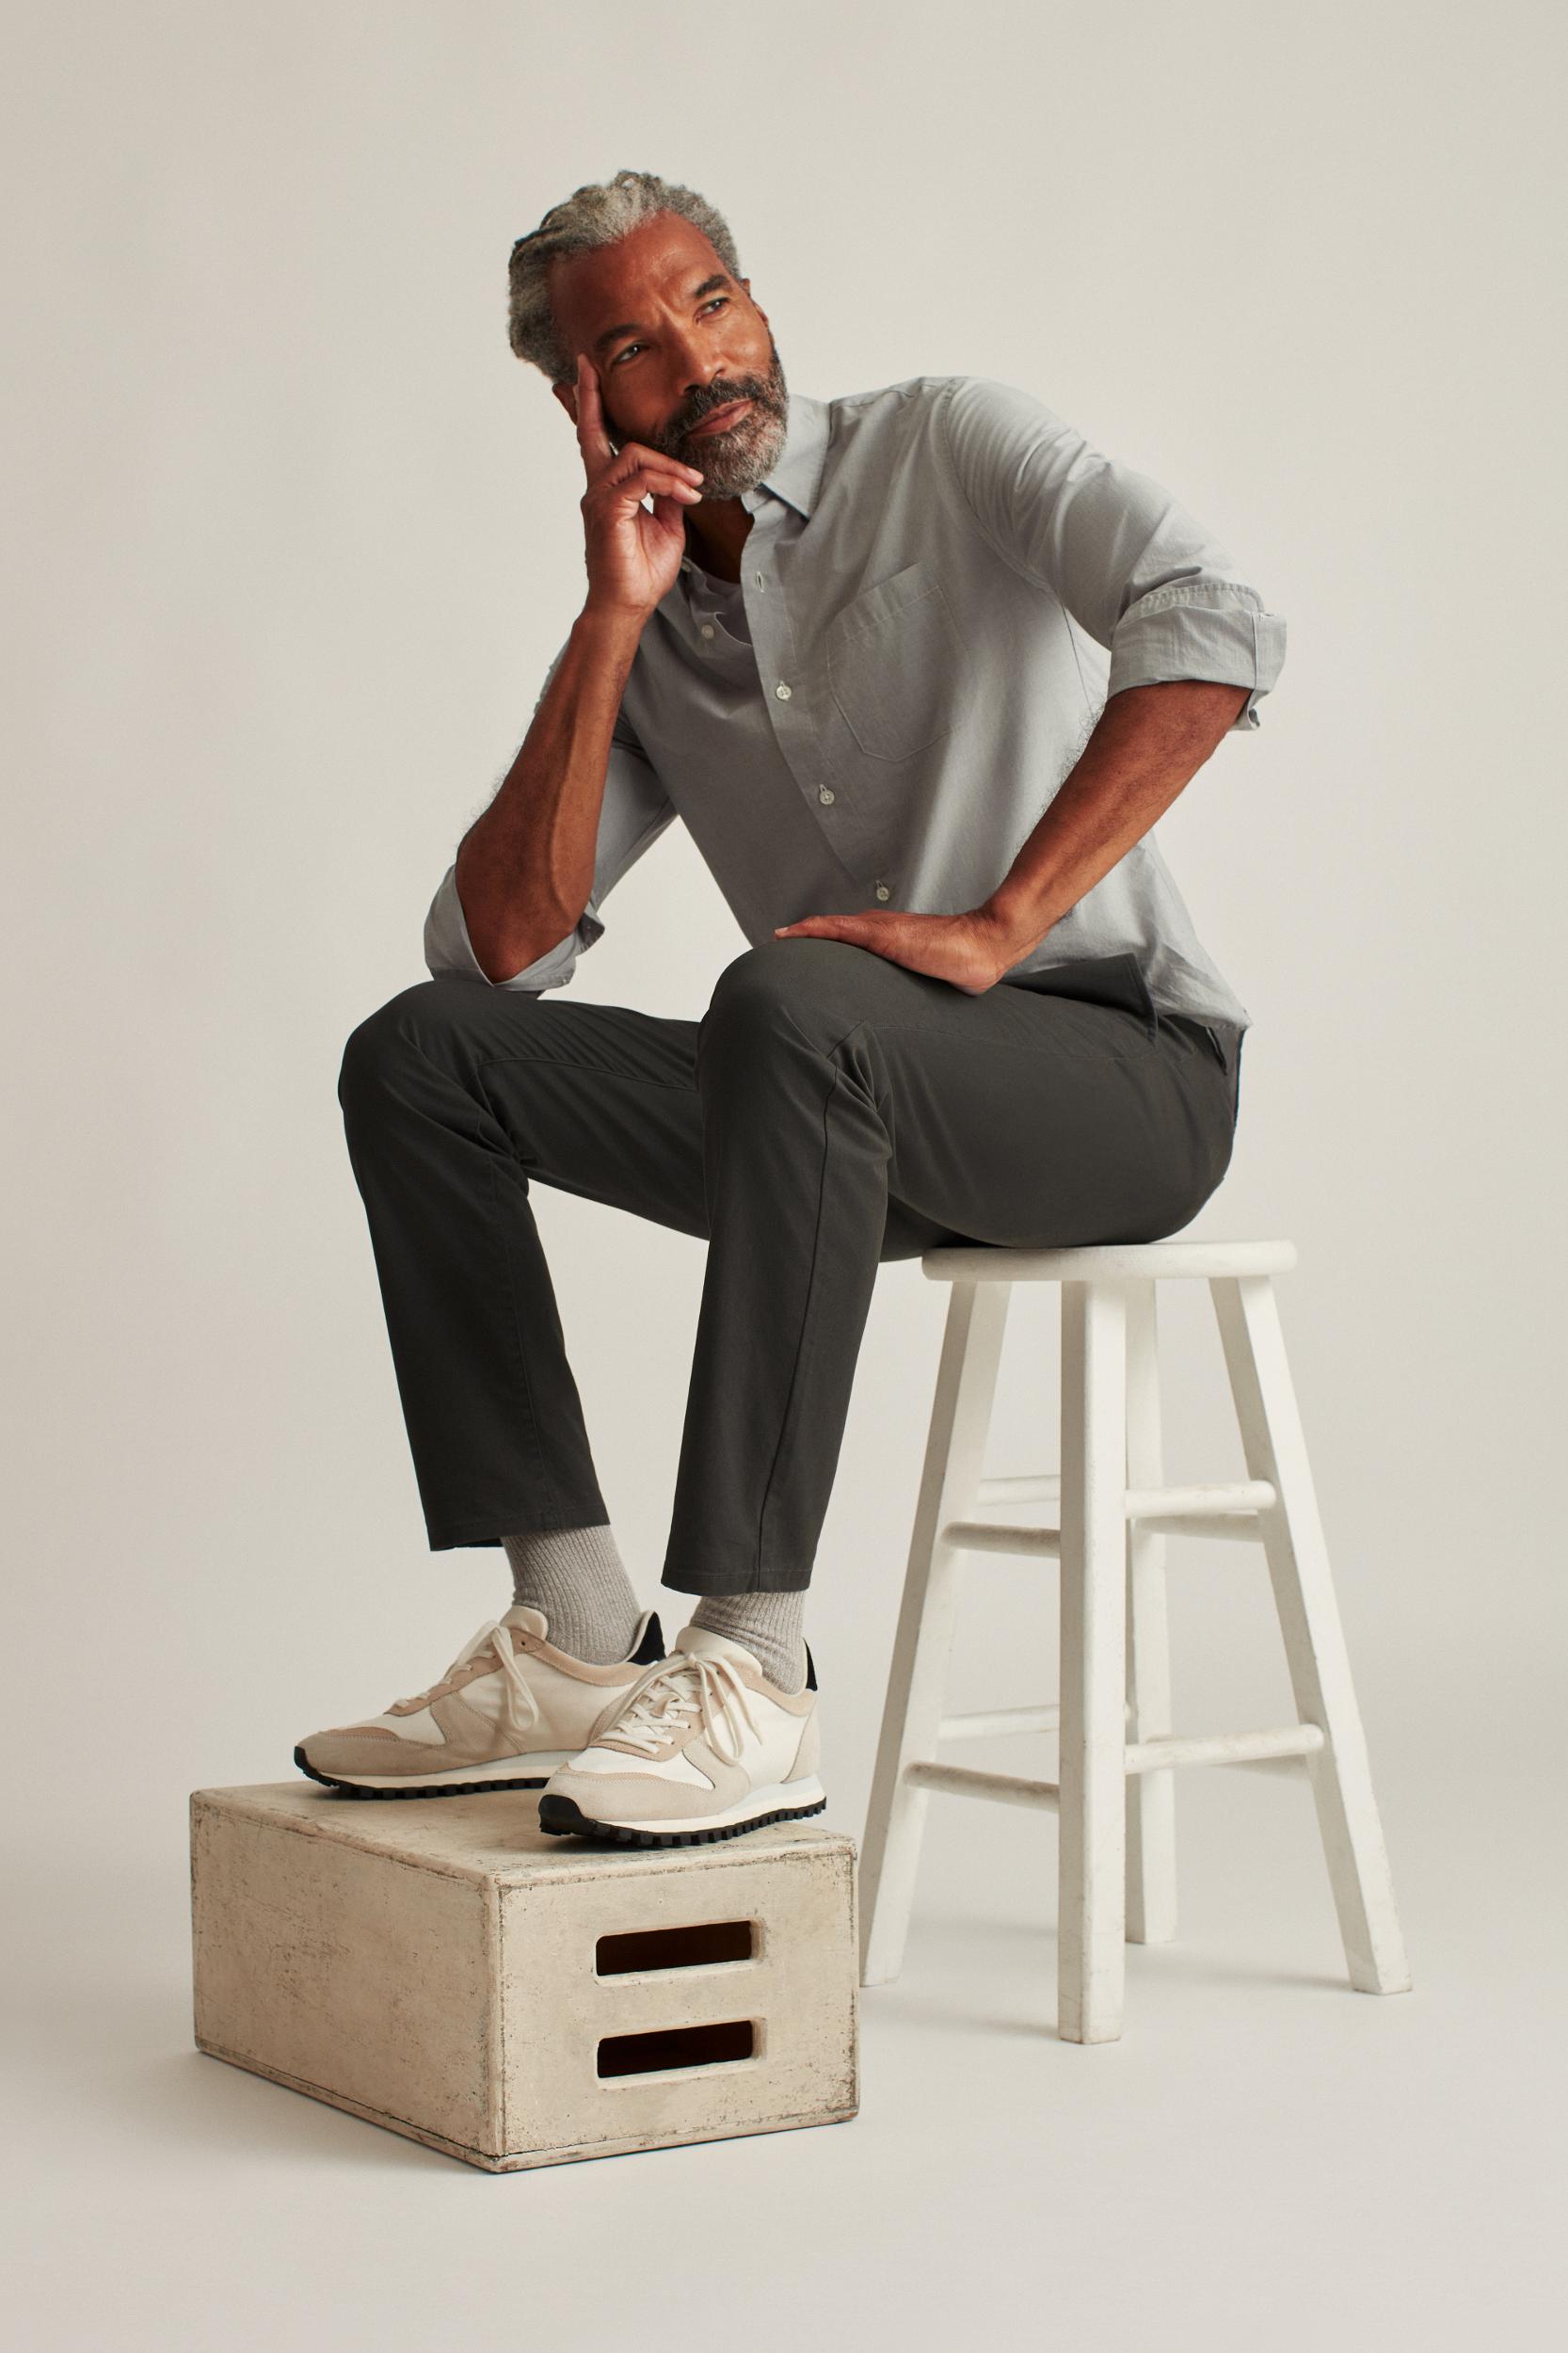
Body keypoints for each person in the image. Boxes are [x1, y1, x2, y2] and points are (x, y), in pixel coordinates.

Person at [296, 168, 1286, 1848]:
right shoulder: (652, 611)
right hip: (833, 1107)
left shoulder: (947, 443)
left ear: (756, 303)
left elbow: (1213, 617)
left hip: (1120, 1081)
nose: (699, 359)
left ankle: (752, 1664)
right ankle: (577, 1635)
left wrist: (1001, 922)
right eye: (635, 345)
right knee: (421, 1055)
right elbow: (504, 953)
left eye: (712, 302)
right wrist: (611, 617)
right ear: (581, 401)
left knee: (792, 995)